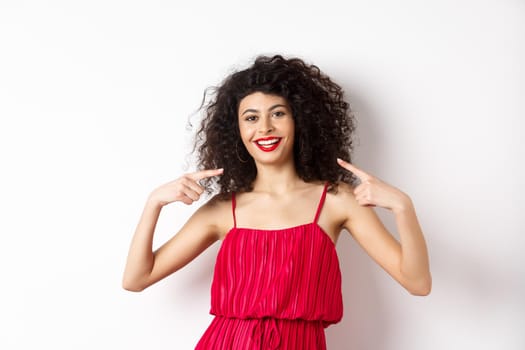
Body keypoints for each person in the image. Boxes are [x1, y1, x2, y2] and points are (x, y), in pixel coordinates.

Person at [122, 54, 432, 349]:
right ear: (237, 131)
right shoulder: (222, 209)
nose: (265, 128)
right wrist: (154, 204)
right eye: (251, 117)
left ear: (300, 121)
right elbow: (136, 279)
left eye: (278, 113)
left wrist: (404, 207)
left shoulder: (338, 200)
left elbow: (417, 283)